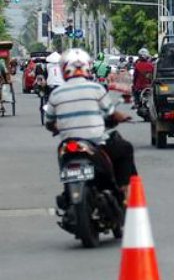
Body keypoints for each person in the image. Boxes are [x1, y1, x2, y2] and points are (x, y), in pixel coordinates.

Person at [45, 49, 137, 198]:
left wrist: (57, 127)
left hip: (68, 145)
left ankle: (68, 191)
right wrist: (123, 117)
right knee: (125, 148)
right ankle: (122, 191)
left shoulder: (56, 94)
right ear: (87, 67)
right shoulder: (96, 88)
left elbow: (49, 122)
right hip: (94, 144)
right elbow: (111, 113)